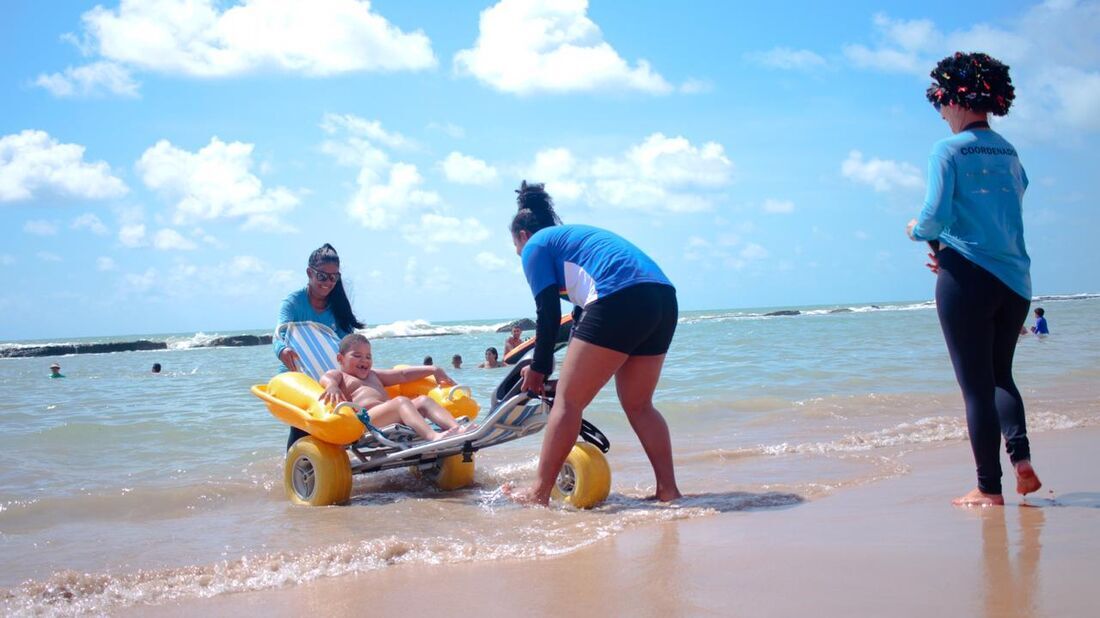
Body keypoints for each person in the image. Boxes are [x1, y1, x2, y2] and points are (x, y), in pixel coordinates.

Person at [906, 52, 1041, 506]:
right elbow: (1013, 200)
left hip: (966, 278)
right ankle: (1021, 460)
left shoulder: (948, 149)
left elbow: (934, 215)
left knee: (974, 387)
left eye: (941, 105)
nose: (942, 114)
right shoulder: (1009, 151)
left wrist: (918, 233)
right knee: (1002, 374)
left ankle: (988, 488)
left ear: (957, 99)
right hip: (1015, 280)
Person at [503, 181, 681, 506]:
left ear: (523, 236)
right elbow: (581, 320)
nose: (519, 255)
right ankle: (668, 490)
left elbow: (547, 312)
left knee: (568, 404)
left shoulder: (535, 246)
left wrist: (539, 368)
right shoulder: (571, 242)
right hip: (662, 298)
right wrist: (564, 373)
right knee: (639, 405)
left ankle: (538, 493)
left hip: (620, 296)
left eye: (516, 247)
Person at [274, 243, 365, 449]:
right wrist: (282, 350)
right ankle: (296, 466)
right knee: (303, 425)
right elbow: (278, 334)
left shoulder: (338, 306)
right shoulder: (293, 302)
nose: (328, 282)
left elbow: (347, 345)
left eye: (334, 277)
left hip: (328, 374)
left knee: (347, 414)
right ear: (309, 273)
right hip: (296, 374)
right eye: (323, 276)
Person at [319, 334, 468, 442]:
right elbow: (326, 378)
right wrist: (332, 386)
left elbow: (402, 375)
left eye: (368, 357)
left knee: (423, 400)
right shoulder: (340, 375)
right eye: (357, 355)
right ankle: (433, 436)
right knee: (401, 402)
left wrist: (434, 370)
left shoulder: (373, 374)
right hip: (366, 421)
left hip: (393, 414)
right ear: (340, 359)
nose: (364, 360)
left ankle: (458, 429)